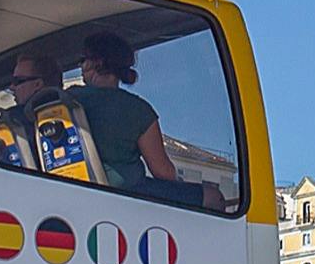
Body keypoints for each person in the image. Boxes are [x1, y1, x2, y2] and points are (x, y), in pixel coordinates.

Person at [71, 29, 216, 208]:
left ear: (98, 63)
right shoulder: (139, 110)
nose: (81, 66)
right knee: (212, 196)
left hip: (75, 190)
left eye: (82, 60)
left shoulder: (68, 99)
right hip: (126, 193)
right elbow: (163, 172)